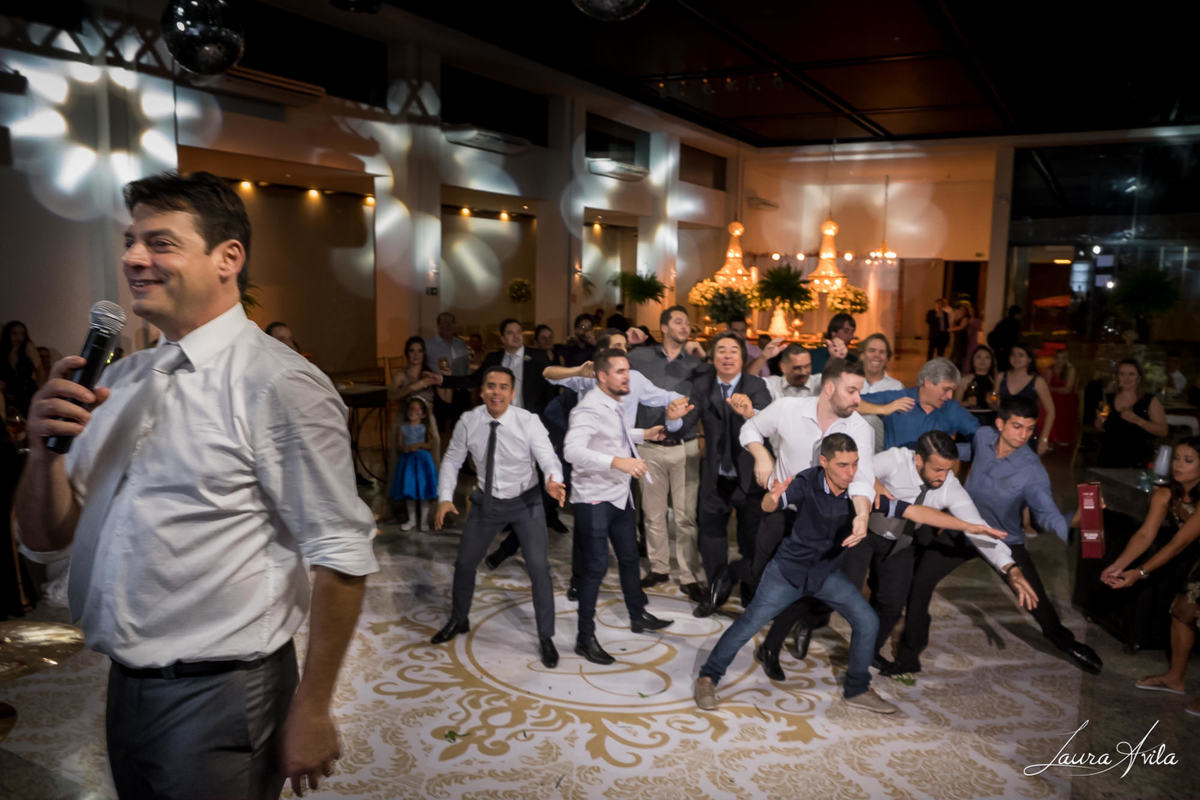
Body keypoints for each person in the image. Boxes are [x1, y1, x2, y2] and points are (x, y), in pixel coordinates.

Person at [15, 170, 378, 799]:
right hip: (124, 684)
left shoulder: (278, 384)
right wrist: (43, 455)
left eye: (160, 242)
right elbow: (45, 540)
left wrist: (314, 705)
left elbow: (342, 554)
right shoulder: (119, 380)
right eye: (130, 241)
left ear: (227, 258)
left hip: (225, 694)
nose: (133, 258)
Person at [785, 431, 1036, 679]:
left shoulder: (949, 486)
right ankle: (807, 620)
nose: (943, 477)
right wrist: (875, 484)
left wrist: (1010, 568)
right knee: (842, 590)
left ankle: (867, 651)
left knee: (892, 604)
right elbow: (858, 470)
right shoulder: (896, 460)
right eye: (937, 469)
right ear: (919, 460)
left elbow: (977, 528)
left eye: (948, 469)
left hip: (901, 543)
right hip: (865, 533)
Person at [888, 395, 1104, 679]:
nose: (1023, 435)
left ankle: (1066, 642)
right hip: (963, 529)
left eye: (1029, 429)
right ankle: (909, 657)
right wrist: (927, 452)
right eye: (1017, 426)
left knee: (1034, 599)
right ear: (1000, 424)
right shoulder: (984, 436)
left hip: (1003, 540)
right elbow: (967, 451)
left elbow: (1046, 516)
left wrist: (1080, 516)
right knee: (920, 582)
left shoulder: (1032, 471)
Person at [694, 433, 905, 714]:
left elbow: (911, 511)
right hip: (787, 571)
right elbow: (769, 505)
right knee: (749, 623)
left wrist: (963, 523)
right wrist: (772, 498)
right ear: (824, 462)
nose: (851, 471)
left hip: (824, 574)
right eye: (843, 465)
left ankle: (856, 688)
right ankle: (708, 677)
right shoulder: (807, 481)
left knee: (867, 620)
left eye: (855, 464)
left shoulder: (859, 487)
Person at [485, 329, 691, 585]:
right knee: (547, 505)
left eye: (625, 346)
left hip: (618, 463)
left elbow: (666, 396)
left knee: (614, 521)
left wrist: (679, 403)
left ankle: (608, 582)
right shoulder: (587, 376)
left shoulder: (634, 379)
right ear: (602, 352)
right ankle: (517, 553)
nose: (624, 350)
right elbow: (548, 373)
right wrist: (577, 371)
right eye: (618, 345)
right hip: (583, 459)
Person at [430, 365, 565, 668]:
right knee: (464, 563)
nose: (496, 393)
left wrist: (553, 479)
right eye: (491, 386)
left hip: (526, 502)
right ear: (482, 392)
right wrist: (445, 498)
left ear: (512, 393)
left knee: (539, 568)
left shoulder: (527, 421)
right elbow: (452, 460)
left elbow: (547, 456)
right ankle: (459, 619)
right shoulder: (469, 421)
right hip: (485, 503)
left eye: (503, 387)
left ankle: (546, 636)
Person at [564, 348, 674, 665]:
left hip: (619, 495)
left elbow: (616, 434)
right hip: (594, 498)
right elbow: (572, 451)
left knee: (629, 557)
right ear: (602, 376)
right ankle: (585, 638)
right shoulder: (588, 408)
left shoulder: (614, 403)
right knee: (596, 567)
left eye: (628, 370)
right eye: (620, 372)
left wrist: (644, 434)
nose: (628, 377)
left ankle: (637, 615)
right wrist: (617, 462)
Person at [1101, 437, 1200, 716]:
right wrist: (1119, 566)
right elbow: (1145, 535)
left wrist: (1141, 572)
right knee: (1182, 610)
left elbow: (1179, 542)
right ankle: (1175, 678)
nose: (1178, 465)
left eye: (1188, 460)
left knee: (1188, 609)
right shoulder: (1165, 494)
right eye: (1176, 458)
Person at [626, 305, 711, 601]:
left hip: (685, 446)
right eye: (678, 322)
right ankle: (659, 567)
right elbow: (613, 368)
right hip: (649, 446)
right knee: (653, 513)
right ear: (663, 327)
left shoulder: (697, 364)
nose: (685, 326)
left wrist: (705, 358)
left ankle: (688, 575)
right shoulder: (639, 357)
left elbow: (714, 390)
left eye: (687, 323)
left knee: (686, 517)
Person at [689, 333, 772, 617]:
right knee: (711, 537)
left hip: (750, 477)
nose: (726, 356)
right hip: (716, 477)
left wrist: (751, 413)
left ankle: (751, 590)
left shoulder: (756, 385)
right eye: (721, 350)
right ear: (712, 357)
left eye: (733, 351)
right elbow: (687, 420)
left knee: (753, 539)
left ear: (743, 357)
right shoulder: (702, 385)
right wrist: (673, 420)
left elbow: (769, 423)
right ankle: (716, 590)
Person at [857, 358, 980, 451]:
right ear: (928, 383)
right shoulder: (898, 399)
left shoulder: (952, 408)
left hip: (934, 476)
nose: (950, 396)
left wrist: (950, 450)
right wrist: (883, 409)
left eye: (952, 390)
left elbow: (982, 437)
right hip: (894, 472)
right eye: (946, 389)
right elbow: (851, 403)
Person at [1096, 358, 1168, 468]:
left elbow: (1163, 431)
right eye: (1122, 374)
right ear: (1117, 377)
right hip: (1108, 460)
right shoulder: (1108, 399)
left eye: (1131, 374)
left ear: (1139, 378)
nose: (1127, 378)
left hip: (1139, 462)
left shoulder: (1150, 400)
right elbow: (1100, 426)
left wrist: (1137, 420)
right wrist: (1100, 422)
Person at [389, 396, 439, 531]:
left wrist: (419, 445)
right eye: (411, 409)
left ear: (423, 414)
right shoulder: (402, 427)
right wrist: (405, 448)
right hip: (408, 462)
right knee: (409, 491)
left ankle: (423, 521)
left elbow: (430, 444)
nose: (413, 412)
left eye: (417, 410)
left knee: (424, 491)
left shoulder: (425, 427)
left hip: (423, 462)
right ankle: (412, 520)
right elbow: (399, 445)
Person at [995, 342, 1055, 456]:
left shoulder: (1037, 382)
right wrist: (992, 401)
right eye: (1013, 354)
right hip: (1003, 432)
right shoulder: (1001, 377)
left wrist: (1044, 438)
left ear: (1029, 359)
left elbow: (1051, 411)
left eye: (1021, 355)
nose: (1016, 358)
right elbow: (996, 405)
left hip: (1025, 434)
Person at [426, 311, 471, 439]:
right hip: (440, 392)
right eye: (444, 322)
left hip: (460, 391)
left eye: (451, 322)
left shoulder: (460, 343)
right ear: (438, 325)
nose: (447, 325)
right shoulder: (429, 344)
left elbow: (466, 366)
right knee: (439, 430)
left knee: (461, 429)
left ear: (455, 325)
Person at [1, 320, 47, 416]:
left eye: (22, 334)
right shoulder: (2, 352)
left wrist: (40, 392)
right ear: (7, 334)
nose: (19, 338)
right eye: (14, 333)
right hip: (8, 393)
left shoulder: (28, 348)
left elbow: (40, 372)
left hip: (28, 390)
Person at [752, 342, 821, 400]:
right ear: (783, 367)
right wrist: (763, 357)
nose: (803, 372)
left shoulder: (819, 382)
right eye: (797, 368)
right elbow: (750, 383)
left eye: (807, 366)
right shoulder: (773, 384)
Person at [956, 344, 999, 428]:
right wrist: (967, 403)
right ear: (973, 360)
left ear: (991, 361)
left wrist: (993, 404)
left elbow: (998, 405)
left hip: (990, 422)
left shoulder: (994, 381)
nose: (982, 360)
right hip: (968, 422)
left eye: (987, 357)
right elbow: (954, 406)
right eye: (978, 357)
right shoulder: (965, 380)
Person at [1042, 348, 1077, 447]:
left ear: (1066, 359)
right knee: (1048, 403)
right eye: (1058, 358)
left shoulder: (1070, 369)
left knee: (1059, 404)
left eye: (1063, 358)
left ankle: (1063, 437)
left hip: (1068, 398)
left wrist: (1053, 389)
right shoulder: (1049, 370)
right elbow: (1046, 388)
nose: (1060, 361)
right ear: (1054, 359)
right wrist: (1056, 390)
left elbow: (1068, 389)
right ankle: (1049, 438)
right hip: (1052, 397)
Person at [987, 304, 1022, 372]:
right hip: (1007, 351)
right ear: (1017, 314)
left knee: (1001, 369)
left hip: (999, 350)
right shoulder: (1015, 324)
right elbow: (1013, 339)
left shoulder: (1002, 322)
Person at [948, 300, 972, 369]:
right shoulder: (958, 317)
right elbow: (952, 325)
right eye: (960, 309)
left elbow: (962, 327)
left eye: (963, 310)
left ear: (966, 311)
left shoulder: (965, 318)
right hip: (957, 337)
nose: (961, 311)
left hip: (962, 337)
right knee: (955, 352)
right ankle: (953, 367)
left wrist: (951, 329)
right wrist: (954, 318)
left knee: (959, 353)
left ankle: (958, 368)